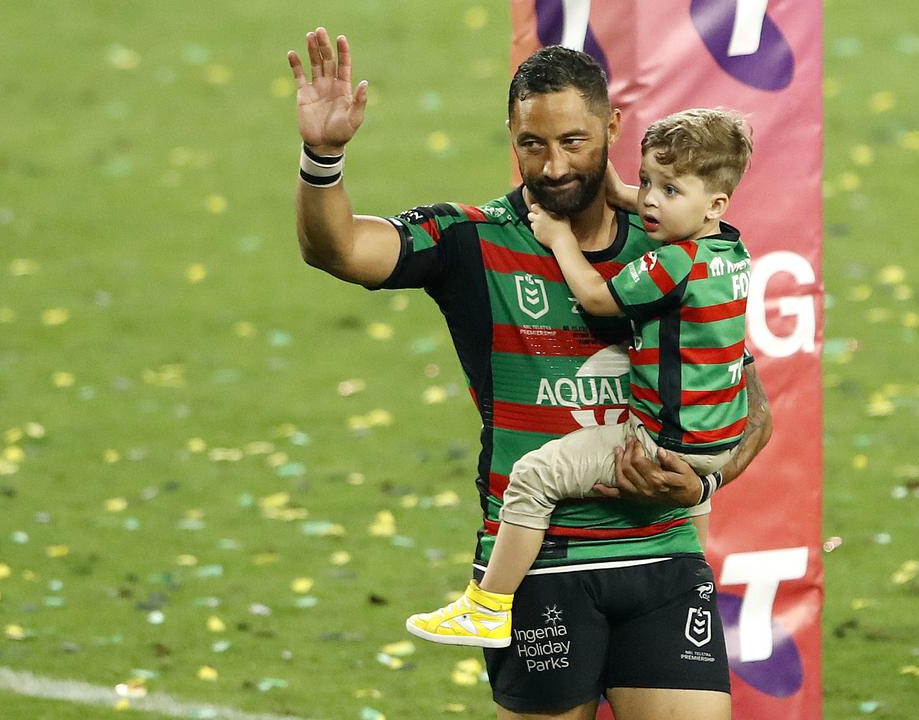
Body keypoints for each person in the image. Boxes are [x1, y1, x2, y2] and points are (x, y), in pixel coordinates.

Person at [286, 28, 772, 720]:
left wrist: (708, 477)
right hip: (540, 564)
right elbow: (335, 248)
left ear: (613, 127)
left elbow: (754, 407)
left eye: (574, 142)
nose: (551, 167)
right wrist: (323, 155)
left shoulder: (673, 246)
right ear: (510, 135)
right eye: (532, 144)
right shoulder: (472, 239)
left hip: (663, 555)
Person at [405, 108, 756, 652]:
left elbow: (596, 296)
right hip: (717, 441)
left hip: (660, 442)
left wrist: (558, 237)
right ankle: (695, 582)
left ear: (713, 204)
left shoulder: (673, 264)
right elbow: (642, 198)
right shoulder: (732, 251)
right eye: (647, 184)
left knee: (535, 476)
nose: (651, 202)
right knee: (688, 506)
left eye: (670, 190)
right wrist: (624, 188)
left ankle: (487, 606)